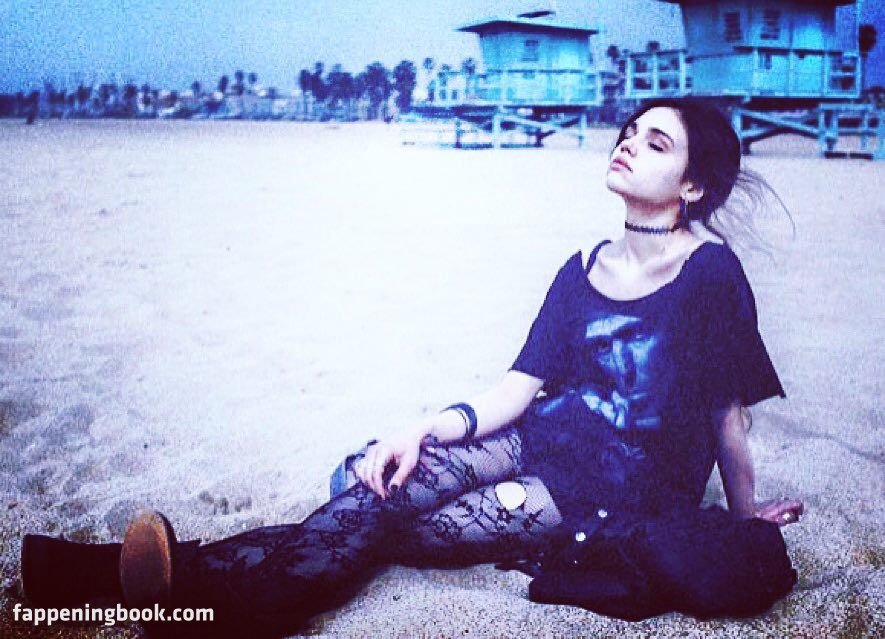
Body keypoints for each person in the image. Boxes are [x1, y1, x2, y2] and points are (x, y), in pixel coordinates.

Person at [20, 99, 804, 636]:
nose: (628, 142)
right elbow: (516, 389)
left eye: (656, 143)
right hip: (535, 437)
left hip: (608, 487)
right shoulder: (581, 267)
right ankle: (127, 581)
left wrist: (744, 515)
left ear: (692, 185)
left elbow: (725, 415)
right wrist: (420, 429)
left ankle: (149, 589)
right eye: (629, 131)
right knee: (379, 489)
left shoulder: (709, 275)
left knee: (393, 525)